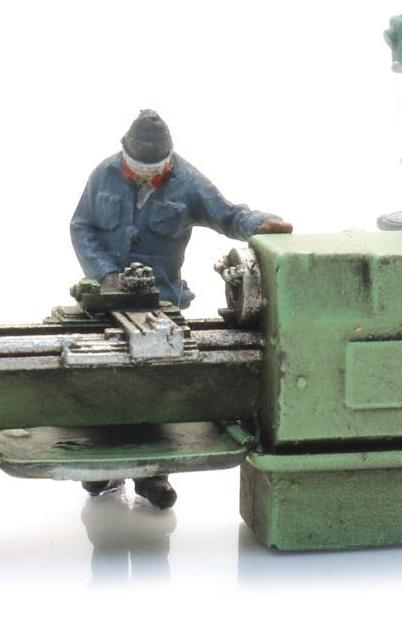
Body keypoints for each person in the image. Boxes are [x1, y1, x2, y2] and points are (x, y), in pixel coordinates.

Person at [69, 109, 292, 508]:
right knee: (102, 382)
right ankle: (103, 465)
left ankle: (153, 474)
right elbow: (81, 227)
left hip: (162, 305)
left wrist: (260, 224)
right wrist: (104, 274)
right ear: (123, 156)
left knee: (158, 388)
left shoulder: (188, 183)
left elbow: (228, 216)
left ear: (168, 162)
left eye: (152, 170)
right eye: (136, 168)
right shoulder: (104, 175)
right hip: (105, 302)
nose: (142, 176)